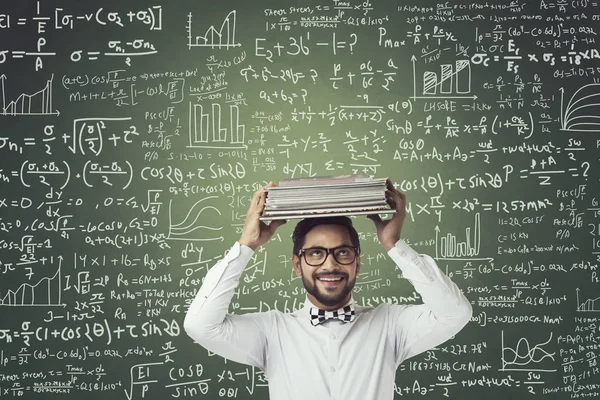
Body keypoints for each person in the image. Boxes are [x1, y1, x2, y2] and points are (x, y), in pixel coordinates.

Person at [184, 179, 472, 400]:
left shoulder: (390, 325)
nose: (330, 265)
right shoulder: (271, 332)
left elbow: (454, 314)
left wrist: (393, 245)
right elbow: (200, 326)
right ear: (297, 264)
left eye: (343, 253)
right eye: (316, 253)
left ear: (357, 263)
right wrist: (246, 246)